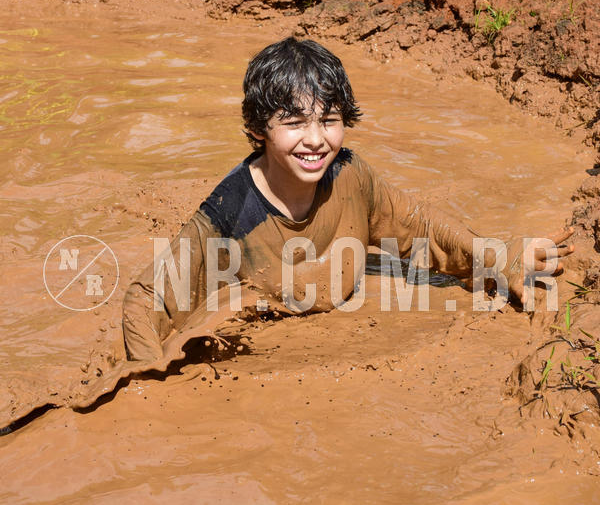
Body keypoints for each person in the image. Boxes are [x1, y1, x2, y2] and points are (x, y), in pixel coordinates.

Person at [120, 36, 575, 369]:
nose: (316, 141)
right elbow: (145, 302)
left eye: (330, 121)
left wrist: (502, 256)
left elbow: (421, 228)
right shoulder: (227, 217)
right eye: (294, 123)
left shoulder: (351, 177)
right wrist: (145, 384)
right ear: (259, 129)